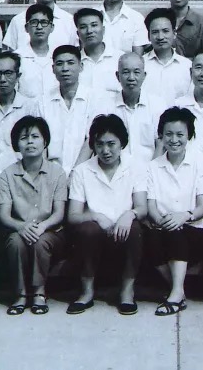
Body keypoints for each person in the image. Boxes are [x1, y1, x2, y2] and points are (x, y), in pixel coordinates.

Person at [66, 113, 149, 316]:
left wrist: (129, 214)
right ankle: (86, 292)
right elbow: (73, 215)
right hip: (95, 235)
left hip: (123, 233)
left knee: (135, 228)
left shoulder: (135, 167)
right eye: (100, 144)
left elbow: (142, 207)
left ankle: (127, 292)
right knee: (87, 229)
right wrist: (96, 216)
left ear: (122, 144)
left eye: (111, 144)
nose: (105, 150)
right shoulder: (82, 171)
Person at [144, 108, 203, 316]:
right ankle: (179, 290)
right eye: (169, 134)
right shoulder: (152, 167)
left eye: (180, 134)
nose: (174, 140)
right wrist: (163, 221)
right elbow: (151, 207)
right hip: (162, 227)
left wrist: (184, 216)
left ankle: (175, 294)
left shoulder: (201, 163)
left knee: (177, 233)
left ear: (189, 136)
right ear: (161, 136)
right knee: (151, 238)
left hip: (195, 230)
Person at [0, 115, 67, 316]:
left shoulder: (57, 173)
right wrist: (21, 227)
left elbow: (59, 213)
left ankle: (39, 293)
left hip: (50, 230)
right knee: (15, 242)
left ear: (45, 142)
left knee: (41, 241)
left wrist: (42, 227)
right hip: (19, 228)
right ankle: (20, 294)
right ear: (16, 144)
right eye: (24, 138)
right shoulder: (7, 174)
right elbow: (4, 215)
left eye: (35, 137)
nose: (30, 142)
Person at [38, 45, 103, 172]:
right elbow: (41, 142)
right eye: (60, 64)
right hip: (50, 172)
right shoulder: (42, 102)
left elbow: (91, 139)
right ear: (53, 69)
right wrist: (48, 174)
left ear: (81, 66)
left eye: (70, 63)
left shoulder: (94, 99)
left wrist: (75, 173)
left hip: (85, 171)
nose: (65, 68)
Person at [94, 52, 167, 163]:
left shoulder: (157, 104)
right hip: (116, 169)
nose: (131, 77)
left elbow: (161, 144)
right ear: (117, 76)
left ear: (144, 76)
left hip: (150, 168)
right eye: (126, 72)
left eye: (136, 72)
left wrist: (151, 170)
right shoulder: (106, 105)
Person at [0, 51, 40, 163]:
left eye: (8, 73)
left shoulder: (30, 109)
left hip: (19, 172)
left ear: (18, 76)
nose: (2, 79)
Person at [143, 8, 192, 100]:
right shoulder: (141, 65)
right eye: (155, 32)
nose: (160, 37)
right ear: (148, 36)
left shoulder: (187, 66)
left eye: (165, 31)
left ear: (174, 33)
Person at [75, 7, 123, 96]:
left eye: (94, 25)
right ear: (78, 34)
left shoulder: (120, 59)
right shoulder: (74, 62)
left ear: (103, 29)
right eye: (83, 27)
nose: (89, 31)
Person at [12, 3, 56, 98]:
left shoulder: (58, 57)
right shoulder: (16, 57)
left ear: (52, 27)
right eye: (34, 22)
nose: (39, 27)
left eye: (44, 22)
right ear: (26, 28)